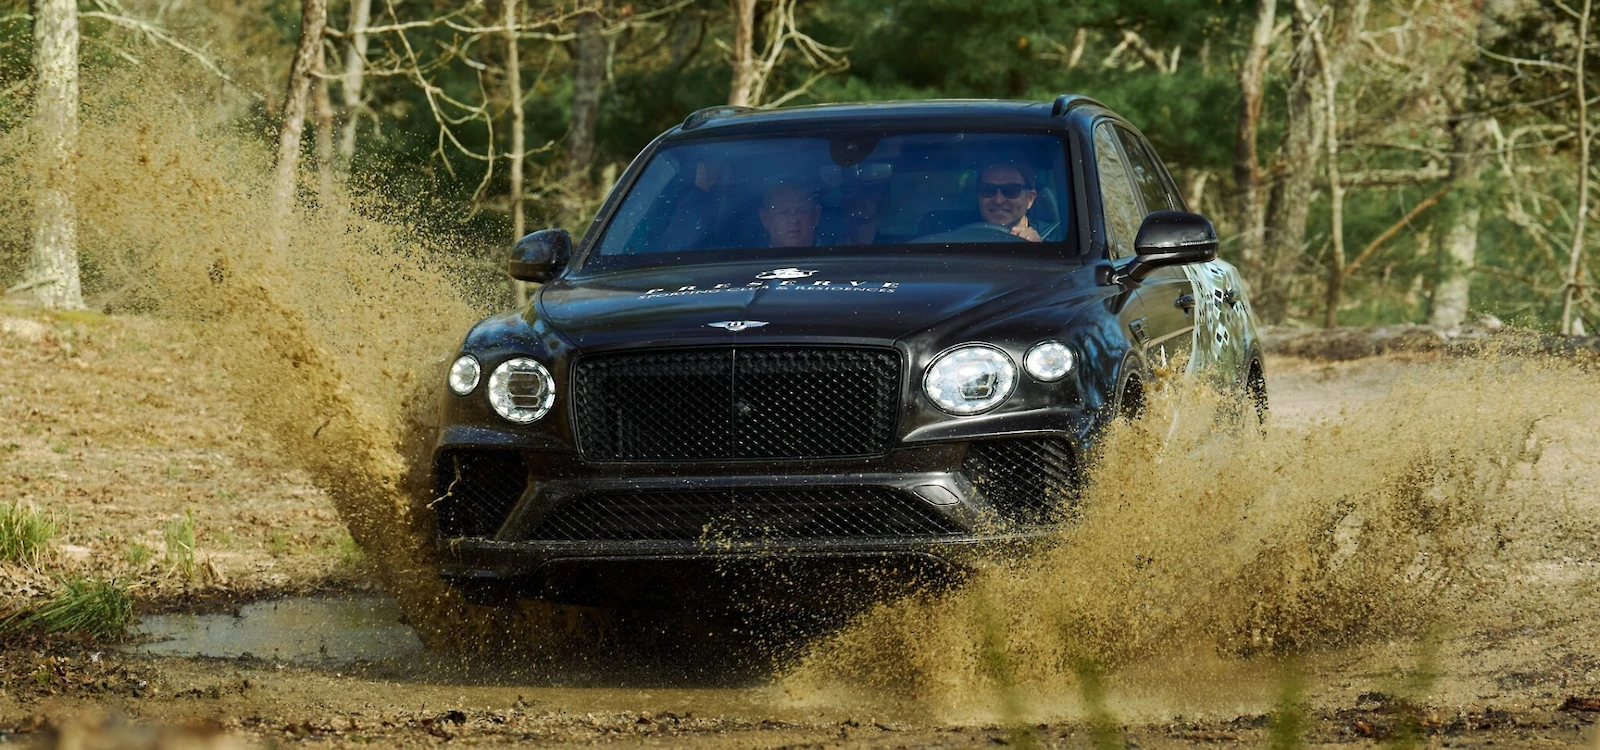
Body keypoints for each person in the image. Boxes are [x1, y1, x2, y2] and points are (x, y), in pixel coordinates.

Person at [977, 162, 1042, 242]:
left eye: (1010, 190)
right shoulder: (961, 234)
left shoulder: (1055, 237)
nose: (998, 201)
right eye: (988, 190)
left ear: (1029, 199)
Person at [758, 179, 822, 248]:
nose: (793, 220)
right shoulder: (748, 257)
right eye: (783, 212)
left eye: (801, 211)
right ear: (765, 218)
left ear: (816, 215)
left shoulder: (834, 254)